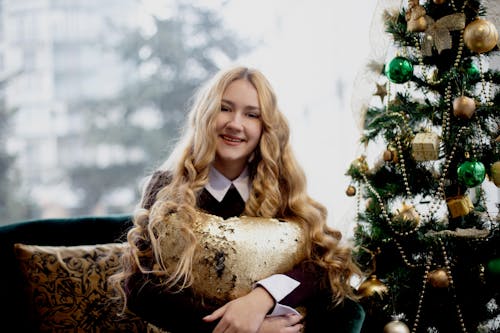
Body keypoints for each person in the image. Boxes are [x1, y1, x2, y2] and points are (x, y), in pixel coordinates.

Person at [111, 66, 364, 333]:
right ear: (206, 114)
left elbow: (323, 268)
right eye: (225, 108)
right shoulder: (167, 187)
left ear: (265, 126)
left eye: (251, 114)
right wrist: (239, 328)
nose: (235, 124)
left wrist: (262, 298)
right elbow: (139, 287)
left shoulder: (282, 188)